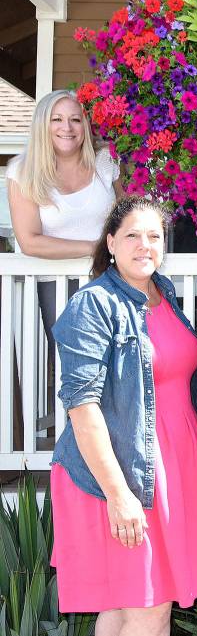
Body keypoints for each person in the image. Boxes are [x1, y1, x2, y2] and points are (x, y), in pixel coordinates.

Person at [49, 196, 197, 635]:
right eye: (131, 235)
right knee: (150, 607)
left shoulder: (163, 296)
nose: (144, 245)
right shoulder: (95, 304)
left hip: (172, 467)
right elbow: (82, 407)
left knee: (127, 607)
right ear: (110, 242)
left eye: (154, 235)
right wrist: (119, 495)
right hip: (123, 475)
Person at [7, 89, 124, 422]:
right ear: (43, 125)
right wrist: (93, 249)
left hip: (111, 281)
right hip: (59, 288)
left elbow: (126, 215)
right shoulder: (22, 171)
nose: (67, 127)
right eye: (57, 119)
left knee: (121, 368)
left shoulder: (105, 162)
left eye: (76, 119)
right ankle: (82, 456)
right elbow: (30, 241)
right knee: (80, 376)